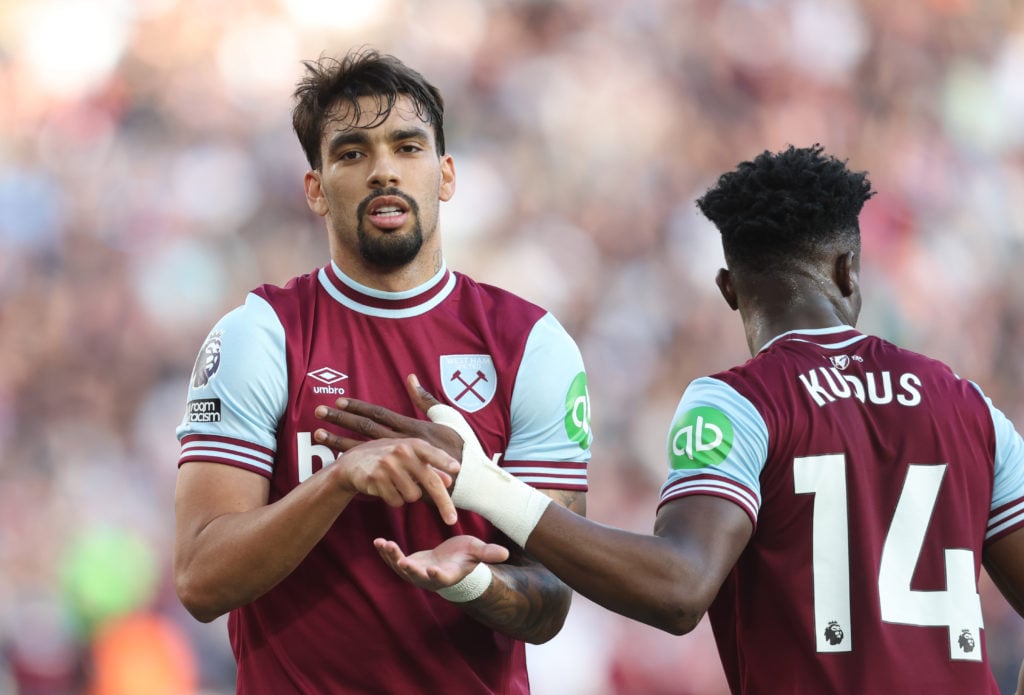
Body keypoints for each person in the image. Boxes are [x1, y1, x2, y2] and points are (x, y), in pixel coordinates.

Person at [316, 145, 1024, 693]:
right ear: (848, 271)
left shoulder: (741, 401)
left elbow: (681, 588)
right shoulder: (969, 404)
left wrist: (485, 485)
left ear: (727, 289)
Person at [172, 48, 592, 695]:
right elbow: (201, 580)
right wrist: (337, 480)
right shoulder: (260, 334)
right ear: (316, 189)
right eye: (351, 153)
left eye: (407, 147)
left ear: (445, 174)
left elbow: (551, 598)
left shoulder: (531, 344)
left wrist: (471, 582)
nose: (383, 171)